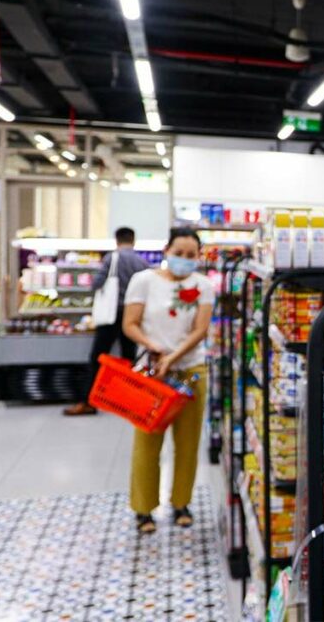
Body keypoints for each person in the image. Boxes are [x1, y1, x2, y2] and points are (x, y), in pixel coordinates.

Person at [123, 228, 214, 533]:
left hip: (191, 370)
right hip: (151, 373)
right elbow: (130, 324)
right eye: (179, 253)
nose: (185, 260)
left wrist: (172, 358)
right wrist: (153, 348)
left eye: (191, 255)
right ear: (166, 250)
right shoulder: (144, 281)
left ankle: (181, 503)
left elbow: (200, 330)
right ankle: (143, 508)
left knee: (187, 444)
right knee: (147, 441)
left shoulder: (203, 285)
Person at [65, 226, 150, 416]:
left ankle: (88, 401)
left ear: (117, 241)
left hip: (111, 315)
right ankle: (128, 401)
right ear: (133, 240)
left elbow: (97, 283)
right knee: (129, 359)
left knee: (98, 357)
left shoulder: (112, 258)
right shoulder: (142, 262)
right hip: (132, 316)